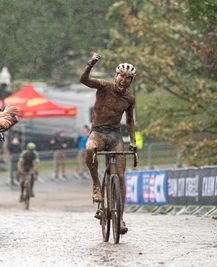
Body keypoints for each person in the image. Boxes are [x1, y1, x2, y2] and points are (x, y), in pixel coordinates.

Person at [80, 52, 137, 235]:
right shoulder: (104, 86)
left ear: (131, 81)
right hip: (98, 132)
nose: (124, 80)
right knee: (89, 148)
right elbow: (84, 80)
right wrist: (91, 63)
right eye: (122, 76)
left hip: (115, 136)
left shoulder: (129, 99)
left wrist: (133, 142)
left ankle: (120, 218)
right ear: (116, 76)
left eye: (128, 78)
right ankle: (97, 184)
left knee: (120, 176)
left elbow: (129, 122)